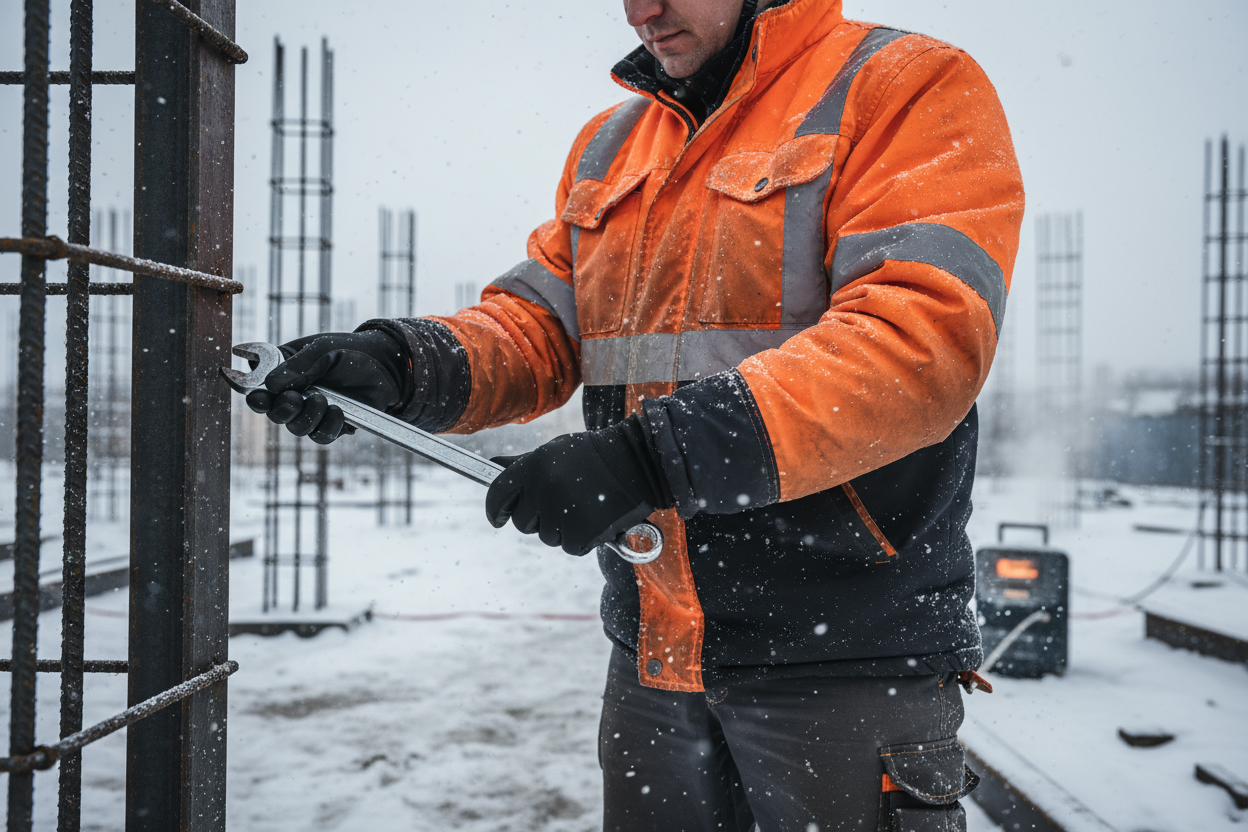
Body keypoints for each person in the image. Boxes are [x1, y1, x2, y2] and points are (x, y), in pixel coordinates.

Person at [247, 0, 1023, 827]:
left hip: (843, 656)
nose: (641, 9)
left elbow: (919, 343)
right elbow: (542, 328)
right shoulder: (612, 144)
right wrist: (404, 366)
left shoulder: (902, 87)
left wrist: (649, 459)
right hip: (655, 653)